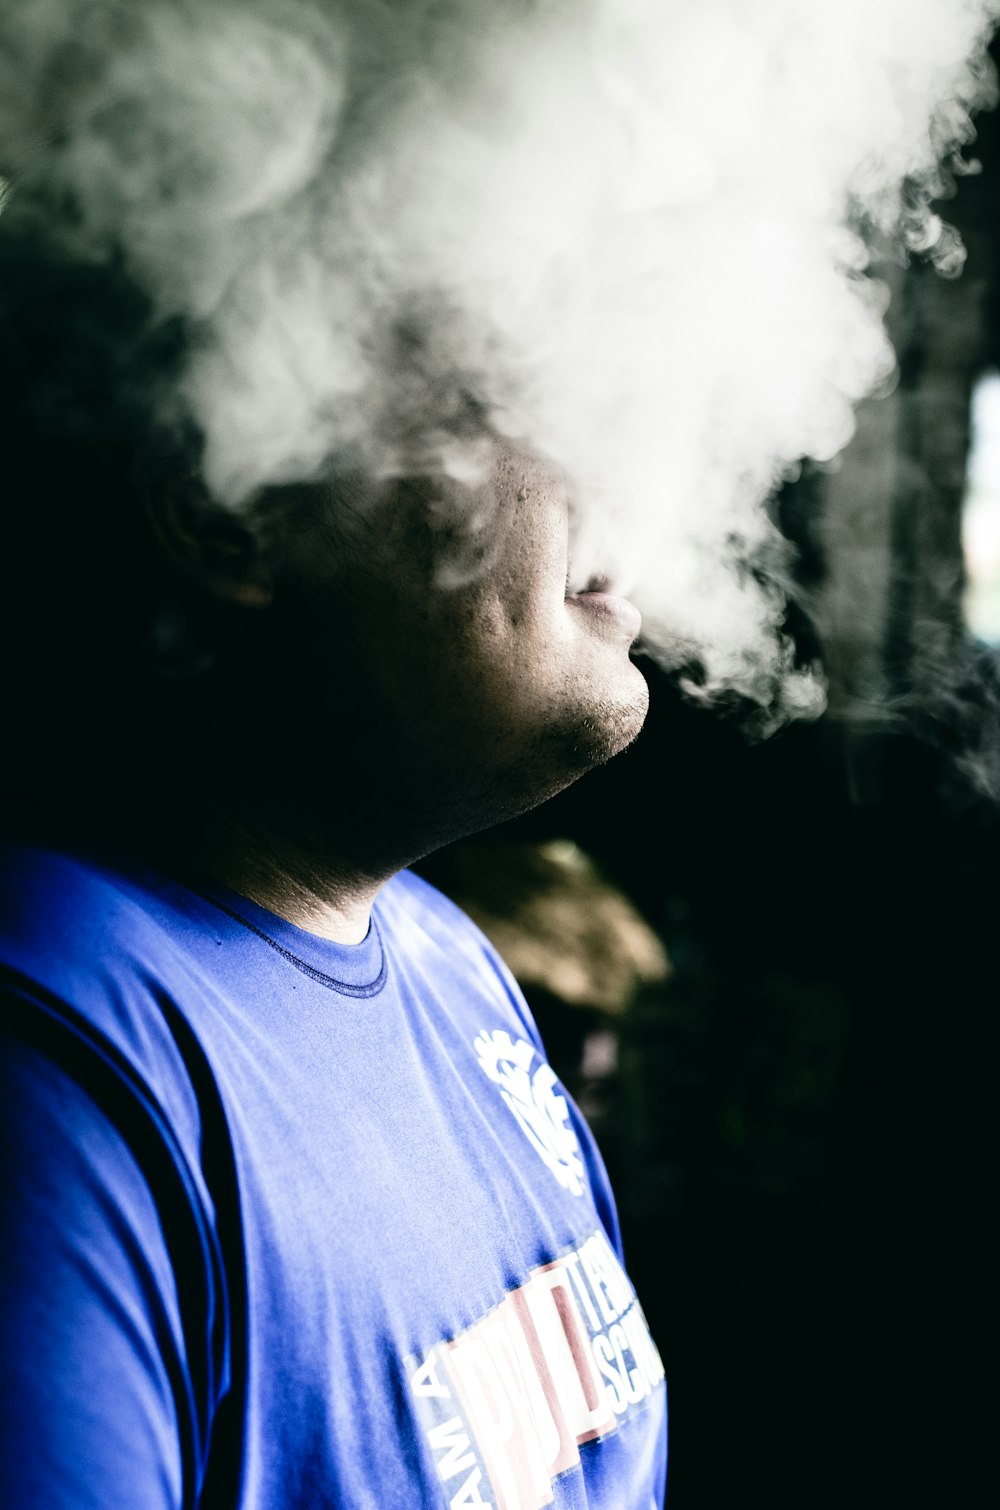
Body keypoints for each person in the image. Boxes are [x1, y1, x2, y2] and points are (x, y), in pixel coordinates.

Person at [0, 203, 667, 1506]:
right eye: (528, 376)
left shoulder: (447, 958)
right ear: (232, 502)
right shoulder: (49, 1081)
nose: (624, 447)